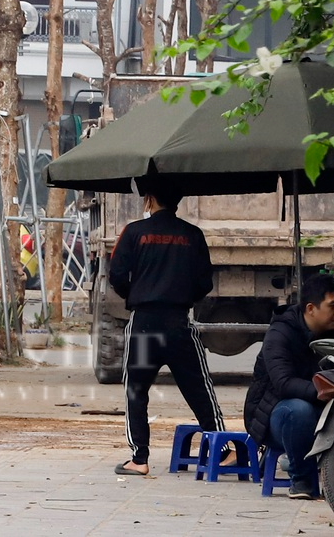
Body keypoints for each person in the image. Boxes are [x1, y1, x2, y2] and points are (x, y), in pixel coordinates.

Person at [109, 185, 224, 477]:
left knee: (136, 390)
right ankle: (223, 450)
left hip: (145, 323)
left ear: (149, 199)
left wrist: (137, 293)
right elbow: (204, 283)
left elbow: (117, 276)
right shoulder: (193, 235)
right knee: (199, 387)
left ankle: (139, 458)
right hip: (179, 321)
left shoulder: (133, 232)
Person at [244, 272, 334, 500]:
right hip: (276, 416)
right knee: (299, 410)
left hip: (321, 410)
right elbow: (283, 384)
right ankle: (302, 480)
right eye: (332, 306)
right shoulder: (280, 333)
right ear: (311, 308)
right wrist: (324, 391)